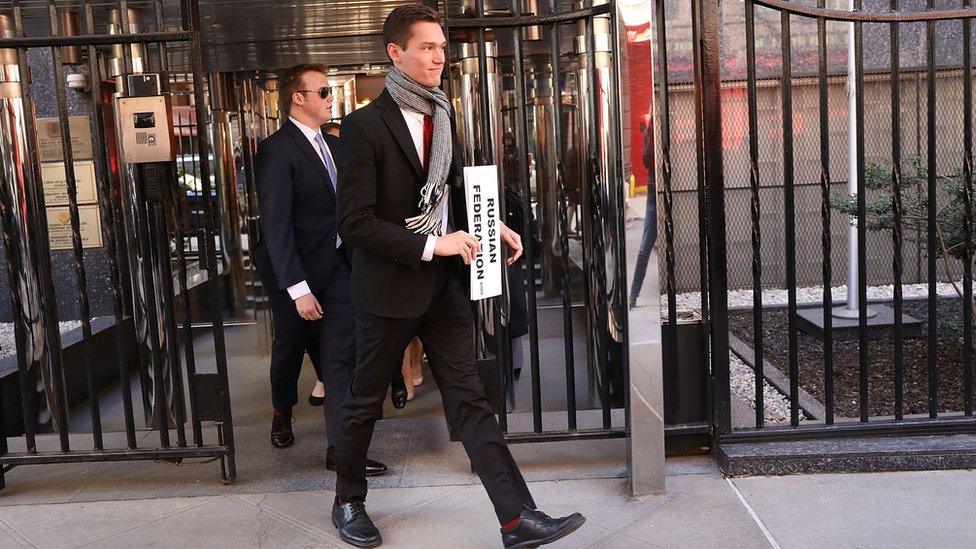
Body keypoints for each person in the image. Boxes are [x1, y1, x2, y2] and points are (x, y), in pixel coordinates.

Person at [330, 6, 585, 548]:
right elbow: (354, 222)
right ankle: (348, 500)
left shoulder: (442, 115)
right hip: (387, 290)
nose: (439, 57)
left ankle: (517, 518)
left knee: (469, 399)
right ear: (395, 53)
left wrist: (496, 226)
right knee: (363, 401)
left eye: (442, 47)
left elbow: (450, 195)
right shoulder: (362, 127)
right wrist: (431, 243)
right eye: (427, 47)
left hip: (443, 286)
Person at [252, 63, 387, 477]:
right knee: (290, 349)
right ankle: (281, 412)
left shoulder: (332, 144)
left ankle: (342, 450)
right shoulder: (277, 149)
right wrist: (298, 287)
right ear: (299, 97)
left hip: (339, 268)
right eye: (324, 91)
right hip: (294, 272)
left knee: (341, 359)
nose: (331, 98)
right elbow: (276, 226)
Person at [628, 112, 658, 309]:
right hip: (655, 196)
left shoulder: (652, 127)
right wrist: (649, 134)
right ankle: (633, 295)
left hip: (659, 194)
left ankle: (633, 295)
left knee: (646, 247)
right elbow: (647, 160)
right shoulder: (650, 130)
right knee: (645, 247)